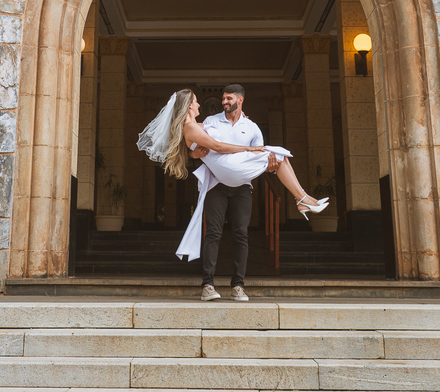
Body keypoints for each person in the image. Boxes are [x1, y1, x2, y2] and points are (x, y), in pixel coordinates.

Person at [136, 85, 328, 302]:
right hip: (218, 182)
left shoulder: (250, 126)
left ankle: (238, 286)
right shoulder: (208, 122)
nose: (223, 102)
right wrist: (201, 152)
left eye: (229, 98)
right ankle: (207, 285)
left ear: (240, 100)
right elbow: (212, 145)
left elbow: (260, 161)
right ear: (190, 105)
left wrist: (270, 164)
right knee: (214, 233)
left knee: (242, 231)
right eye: (222, 98)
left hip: (241, 182)